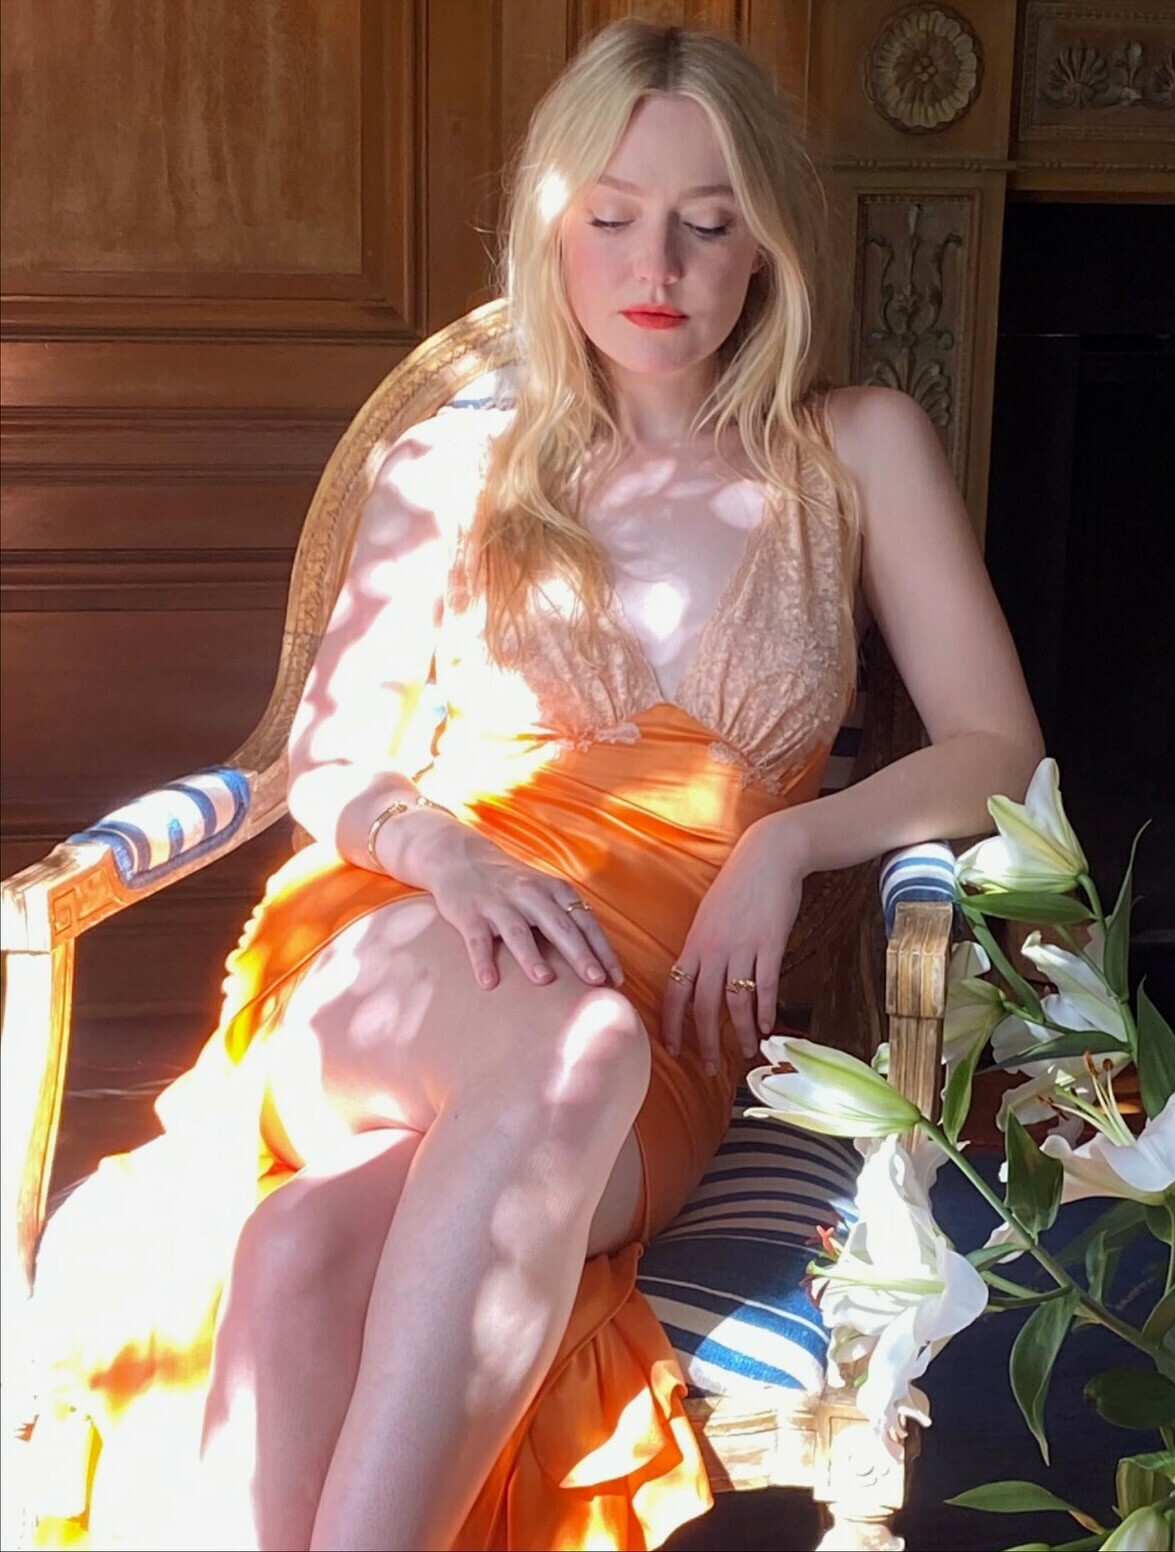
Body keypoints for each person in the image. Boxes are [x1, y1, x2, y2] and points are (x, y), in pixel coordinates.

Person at [22, 20, 1044, 1552]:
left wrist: (785, 845)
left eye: (708, 224)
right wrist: (454, 860)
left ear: (769, 242)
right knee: (563, 1050)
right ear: (552, 228)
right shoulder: (458, 462)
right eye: (612, 218)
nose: (658, 266)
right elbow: (327, 762)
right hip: (412, 943)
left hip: (668, 1035)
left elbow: (995, 745)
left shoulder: (855, 451)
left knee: (308, 1253)